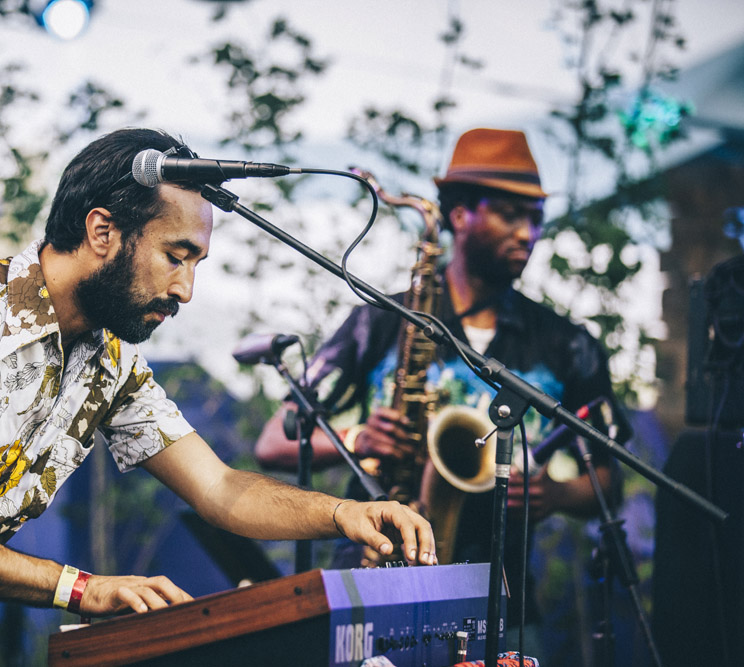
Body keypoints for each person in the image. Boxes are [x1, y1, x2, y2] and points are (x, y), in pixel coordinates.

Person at [0, 128, 437, 666]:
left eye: (197, 264)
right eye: (176, 255)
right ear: (102, 231)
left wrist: (347, 511)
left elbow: (224, 489)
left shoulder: (110, 363)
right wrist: (84, 588)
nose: (186, 290)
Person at [254, 127, 631, 652]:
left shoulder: (568, 345)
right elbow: (274, 440)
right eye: (509, 213)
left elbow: (610, 479)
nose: (528, 232)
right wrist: (358, 437)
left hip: (503, 602)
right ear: (459, 215)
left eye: (536, 217)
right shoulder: (380, 322)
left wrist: (559, 493)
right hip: (374, 583)